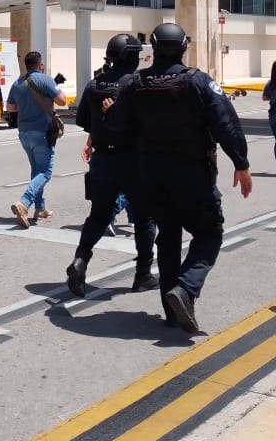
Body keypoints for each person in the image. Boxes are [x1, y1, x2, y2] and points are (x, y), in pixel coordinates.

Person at [105, 23, 253, 334]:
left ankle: (173, 312)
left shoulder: (135, 83)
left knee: (168, 238)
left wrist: (114, 113)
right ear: (184, 47)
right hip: (193, 175)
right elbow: (226, 122)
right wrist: (241, 163)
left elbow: (117, 124)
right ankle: (185, 290)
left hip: (152, 177)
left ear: (153, 49)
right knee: (210, 233)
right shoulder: (198, 81)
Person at [66, 34, 159, 298]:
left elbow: (83, 119)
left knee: (98, 215)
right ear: (132, 57)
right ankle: (143, 274)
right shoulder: (137, 83)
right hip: (133, 160)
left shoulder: (94, 84)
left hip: (102, 161)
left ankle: (81, 260)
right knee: (144, 217)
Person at [5, 51, 67, 229]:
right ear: (40, 64)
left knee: (36, 169)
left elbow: (10, 107)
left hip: (24, 132)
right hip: (42, 131)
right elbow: (62, 101)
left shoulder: (17, 83)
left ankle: (40, 208)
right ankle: (24, 202)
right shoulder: (45, 79)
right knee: (46, 172)